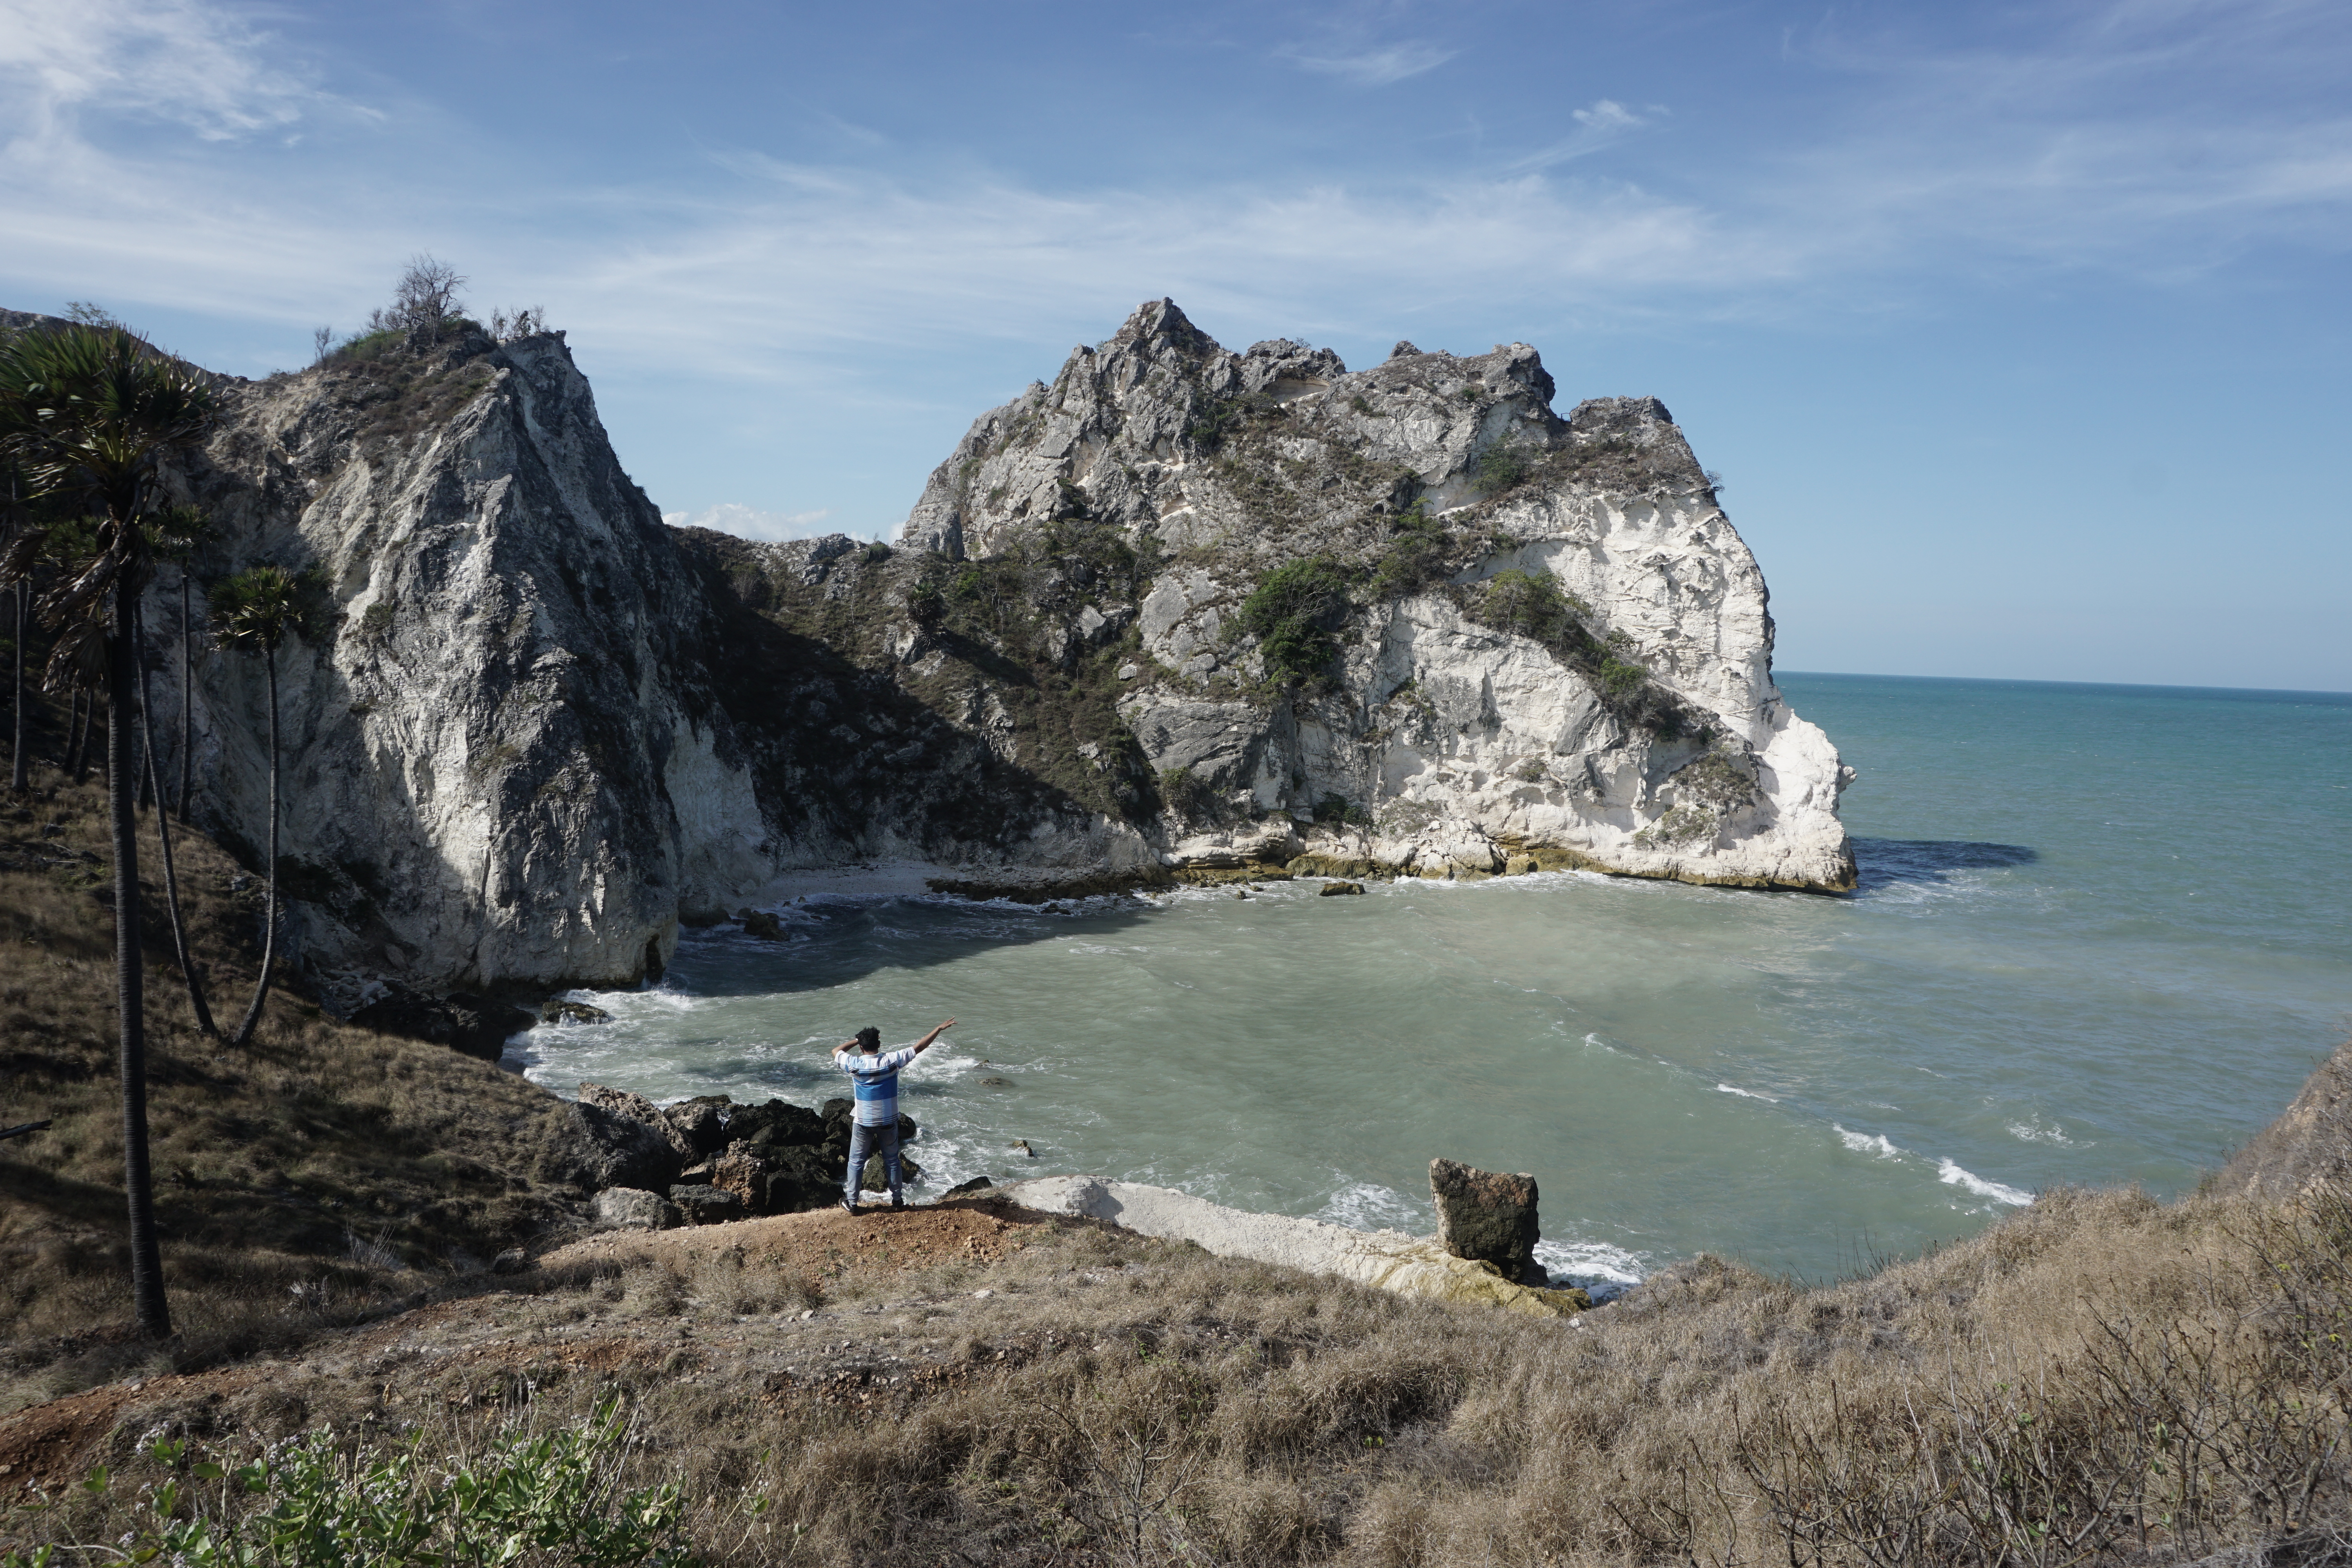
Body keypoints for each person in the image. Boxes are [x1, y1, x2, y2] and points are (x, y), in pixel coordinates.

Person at [833, 1017, 954, 1215]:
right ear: (879, 1044)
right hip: (889, 1120)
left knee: (856, 1161)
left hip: (864, 1122)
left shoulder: (853, 1064)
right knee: (892, 1160)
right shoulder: (891, 1060)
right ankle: (897, 1201)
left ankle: (853, 1204)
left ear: (862, 1048)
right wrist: (939, 1028)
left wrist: (857, 1041)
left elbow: (836, 1051)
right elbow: (919, 1047)